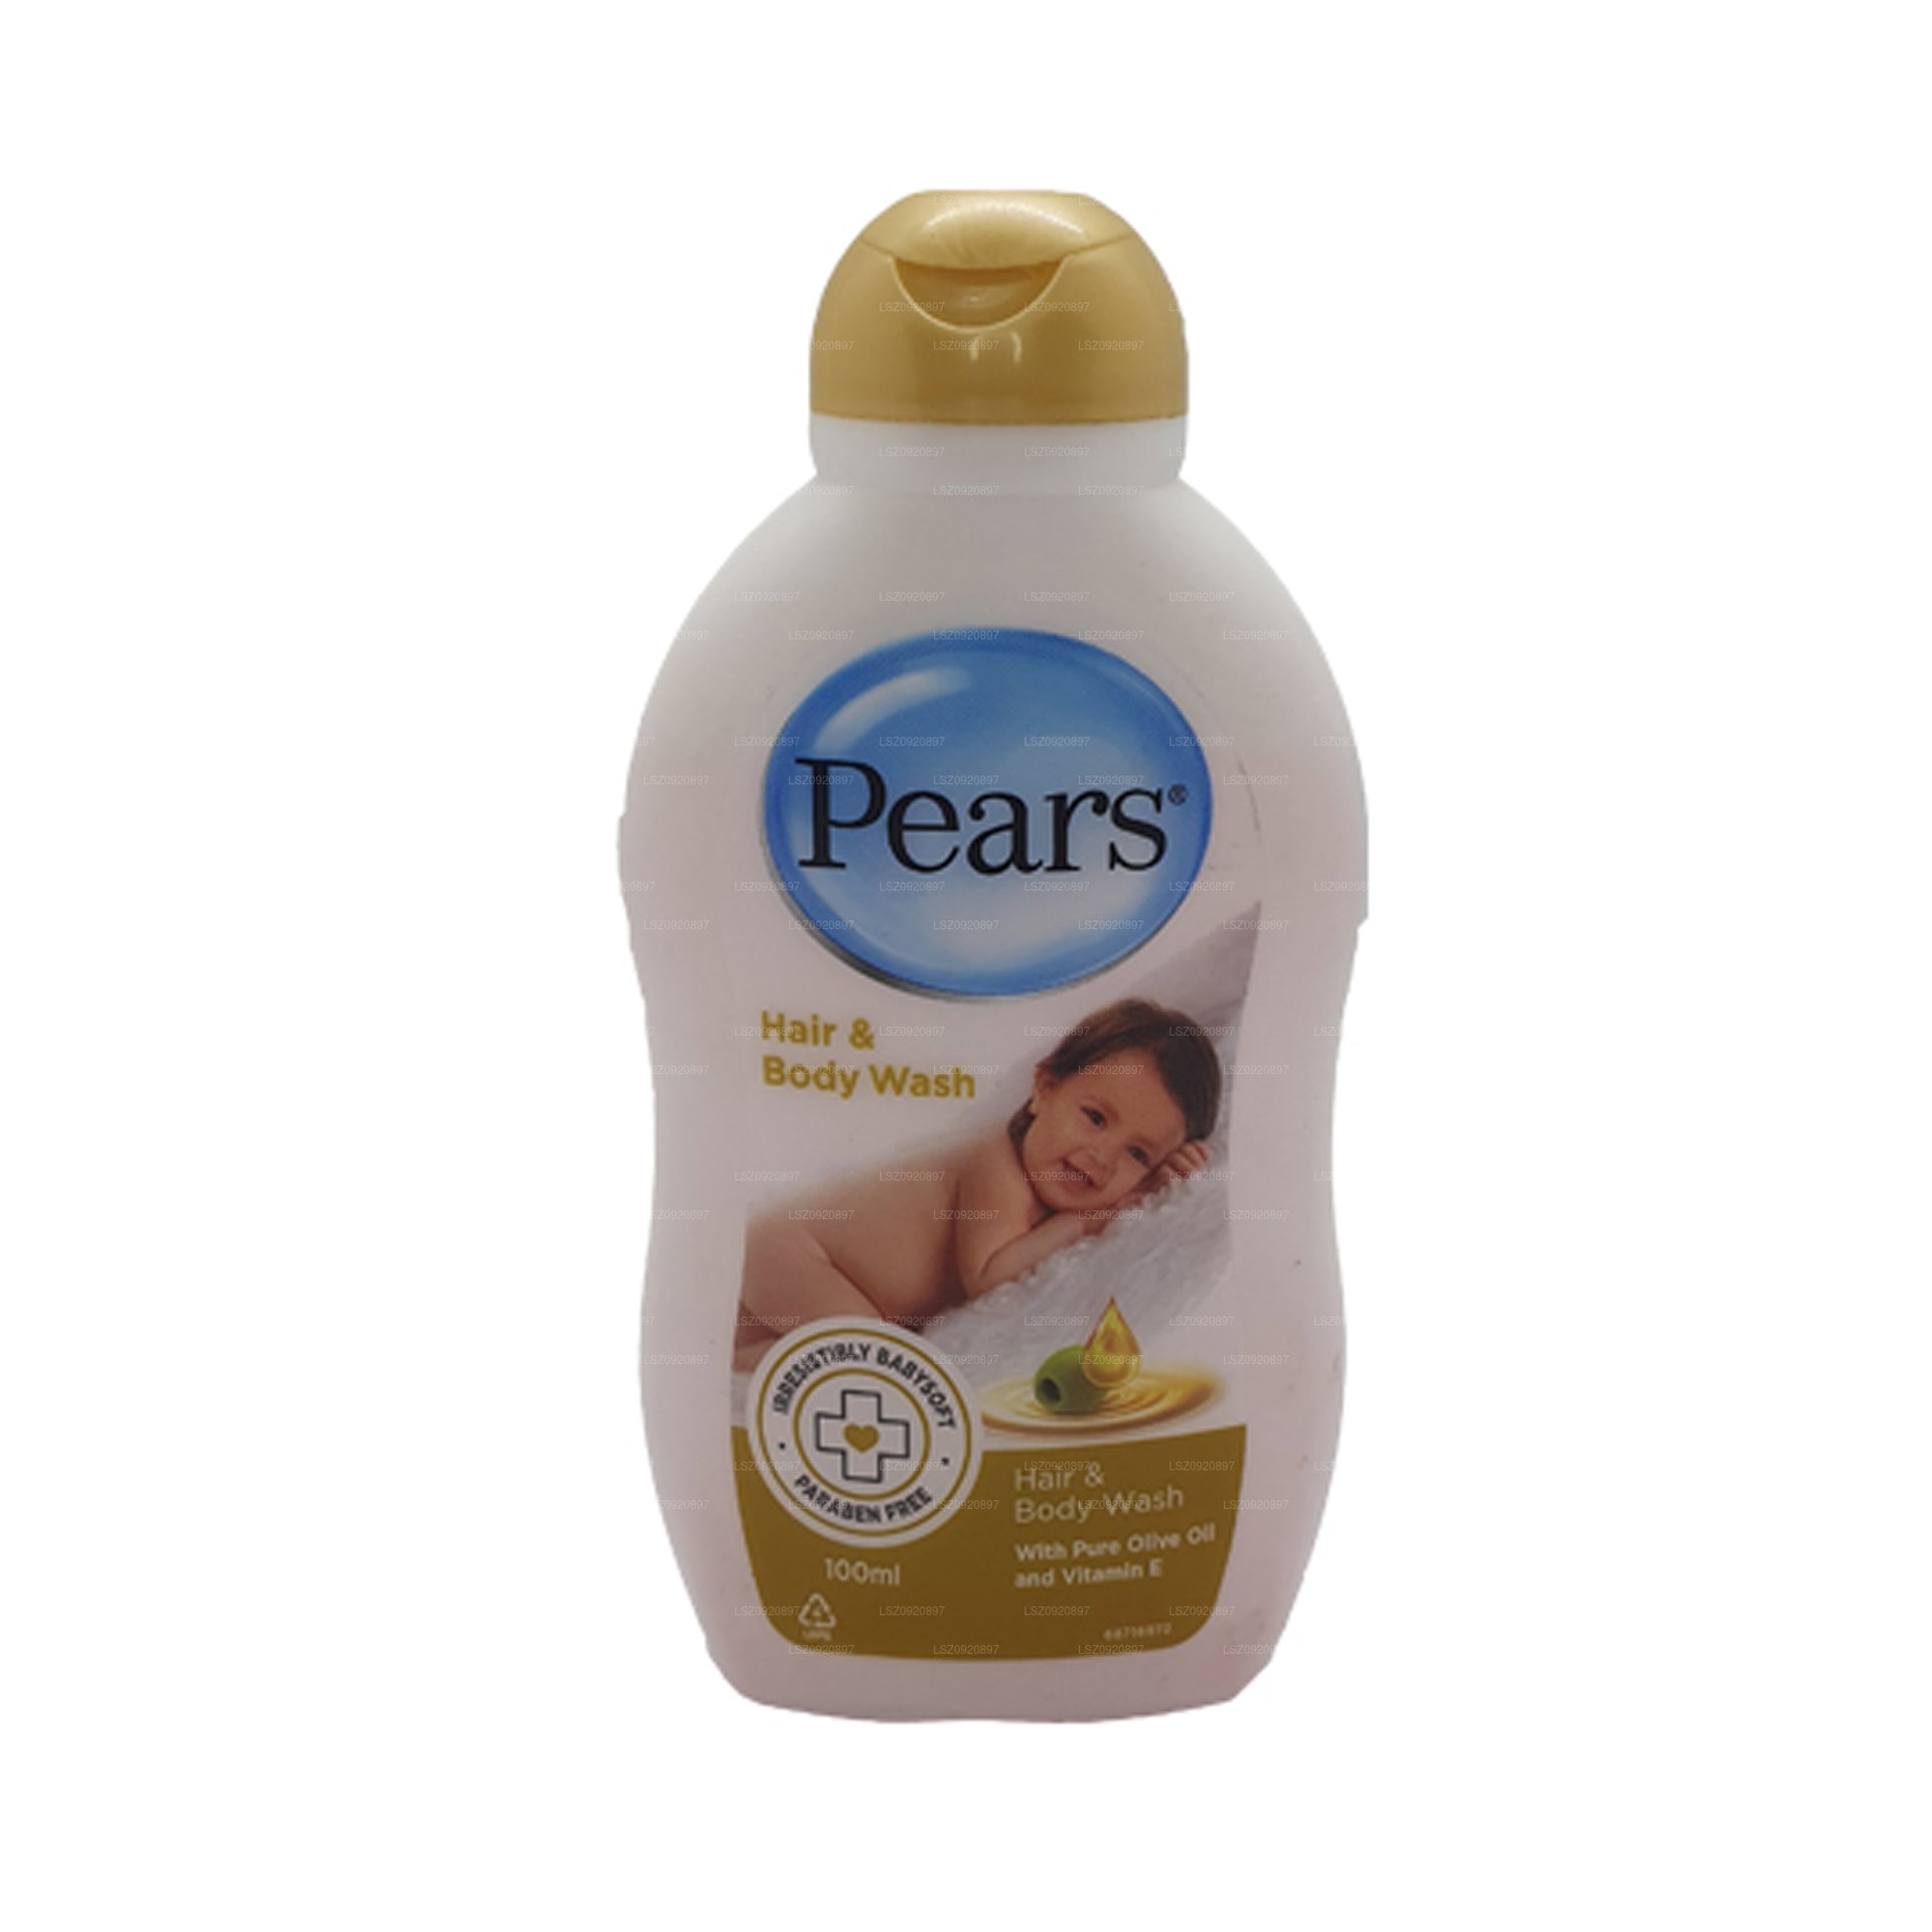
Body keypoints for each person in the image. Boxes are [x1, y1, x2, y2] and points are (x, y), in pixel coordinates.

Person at [734, 998, 1220, 1368]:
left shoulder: (1047, 1182)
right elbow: (989, 1278)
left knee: (822, 1350)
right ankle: (731, 1369)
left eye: (1138, 1154)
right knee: (871, 1359)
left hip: (816, 1277)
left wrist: (1157, 1187)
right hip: (796, 1252)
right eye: (1094, 1117)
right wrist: (1085, 1222)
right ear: (1044, 1090)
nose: (1103, 1155)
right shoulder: (994, 1164)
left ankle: (733, 1359)